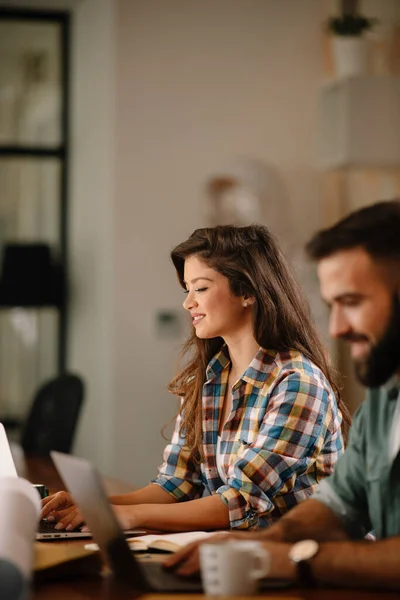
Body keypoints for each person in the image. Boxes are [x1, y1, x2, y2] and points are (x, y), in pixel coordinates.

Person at [41, 224, 349, 533]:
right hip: (240, 555)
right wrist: (95, 505)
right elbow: (177, 484)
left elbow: (241, 500)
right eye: (187, 290)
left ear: (247, 291)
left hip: (311, 563)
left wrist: (131, 516)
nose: (188, 303)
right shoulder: (208, 379)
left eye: (200, 288)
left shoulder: (297, 383)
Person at [166, 201, 400, 591]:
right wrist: (262, 542)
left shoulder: (297, 379)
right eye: (331, 306)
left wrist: (290, 559)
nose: (337, 328)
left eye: (352, 303)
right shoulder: (383, 403)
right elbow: (339, 506)